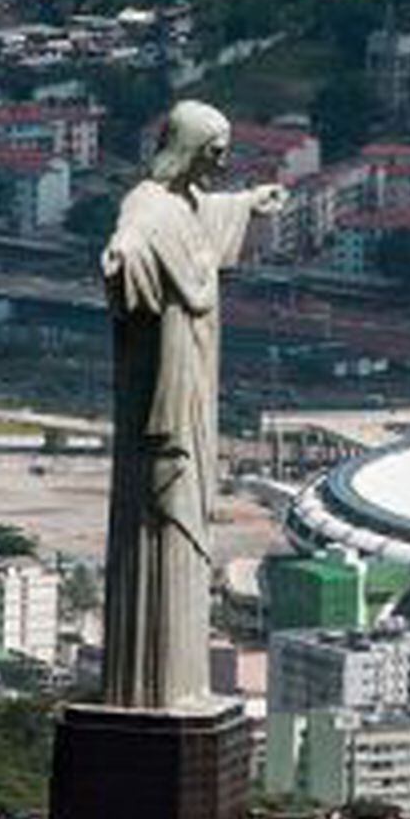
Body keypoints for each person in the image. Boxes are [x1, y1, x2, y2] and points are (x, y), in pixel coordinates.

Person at [99, 101, 285, 709]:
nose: (223, 162)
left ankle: (181, 684)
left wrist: (249, 202)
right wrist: (123, 258)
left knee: (189, 520)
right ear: (190, 147)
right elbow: (133, 237)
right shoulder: (148, 206)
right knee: (161, 521)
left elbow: (202, 216)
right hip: (166, 393)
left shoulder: (185, 203)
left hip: (196, 383)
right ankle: (151, 688)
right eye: (216, 151)